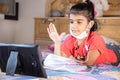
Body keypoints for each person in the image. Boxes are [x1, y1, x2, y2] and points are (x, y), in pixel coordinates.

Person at [47, 0, 119, 66]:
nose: (73, 26)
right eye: (71, 21)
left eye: (79, 22)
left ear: (90, 24)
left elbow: (88, 63)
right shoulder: (70, 39)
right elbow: (59, 59)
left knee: (110, 44)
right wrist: (57, 43)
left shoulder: (96, 39)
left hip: (115, 54)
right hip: (97, 47)